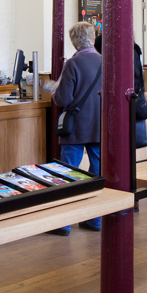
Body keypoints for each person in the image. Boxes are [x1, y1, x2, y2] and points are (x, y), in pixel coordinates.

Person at [50, 22, 102, 234]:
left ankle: (64, 223)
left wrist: (54, 93)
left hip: (76, 128)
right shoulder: (104, 61)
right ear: (92, 37)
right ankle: (96, 220)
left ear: (74, 41)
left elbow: (64, 97)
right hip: (98, 126)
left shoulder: (73, 63)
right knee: (97, 172)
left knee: (68, 173)